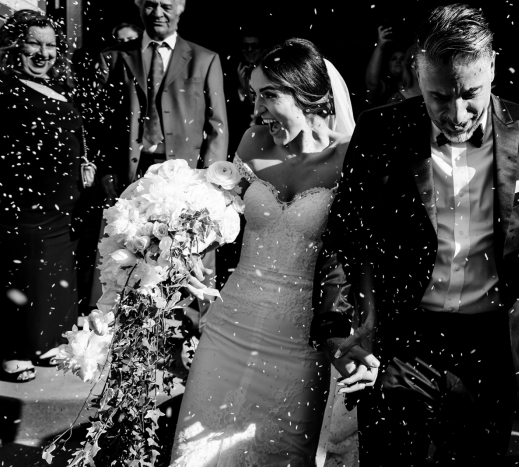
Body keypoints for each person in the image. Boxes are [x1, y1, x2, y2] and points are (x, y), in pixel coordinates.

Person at [311, 4, 519, 465]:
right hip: (401, 344)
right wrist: (338, 332)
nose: (457, 113)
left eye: (471, 93)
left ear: (492, 66)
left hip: (491, 347)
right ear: (417, 72)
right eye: (439, 96)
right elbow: (343, 237)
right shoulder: (381, 132)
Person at [170, 38, 356, 466]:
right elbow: (219, 218)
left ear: (311, 97)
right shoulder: (253, 141)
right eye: (254, 93)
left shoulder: (349, 160)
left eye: (270, 95)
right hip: (228, 328)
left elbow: (355, 257)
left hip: (302, 343)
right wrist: (168, 237)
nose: (257, 108)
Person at [93, 0, 228, 321]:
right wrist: (106, 168)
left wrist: (210, 185)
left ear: (181, 8)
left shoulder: (204, 59)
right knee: (129, 252)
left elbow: (217, 126)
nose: (157, 13)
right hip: (132, 174)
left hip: (184, 179)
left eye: (166, 5)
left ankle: (189, 329)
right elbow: (102, 122)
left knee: (185, 253)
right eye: (150, 4)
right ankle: (125, 325)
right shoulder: (115, 57)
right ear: (138, 6)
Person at [0, 10, 84, 382]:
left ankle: (46, 341)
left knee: (53, 268)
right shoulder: (4, 87)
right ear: (15, 45)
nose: (43, 53)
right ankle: (14, 348)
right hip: (23, 204)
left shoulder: (60, 85)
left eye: (50, 45)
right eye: (34, 43)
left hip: (59, 207)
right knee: (22, 269)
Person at [364, 24, 404, 107]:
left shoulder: (418, 86)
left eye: (402, 58)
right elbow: (372, 83)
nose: (398, 61)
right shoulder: (386, 87)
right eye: (394, 59)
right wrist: (380, 46)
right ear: (388, 65)